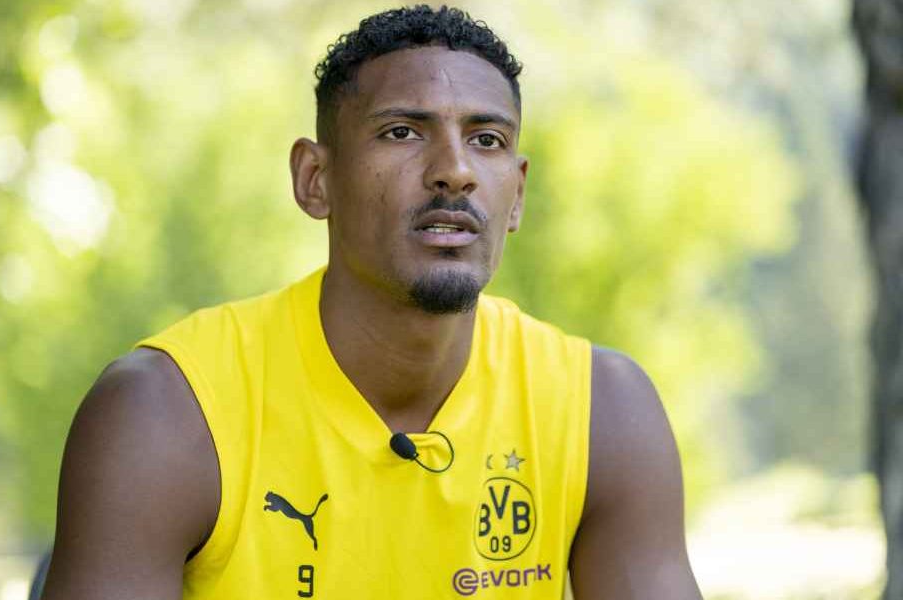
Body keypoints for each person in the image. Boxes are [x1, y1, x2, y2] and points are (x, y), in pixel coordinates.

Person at [40, 5, 702, 599]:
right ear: (315, 179)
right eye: (403, 132)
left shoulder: (602, 411)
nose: (455, 170)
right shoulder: (166, 412)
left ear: (517, 194)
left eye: (487, 140)